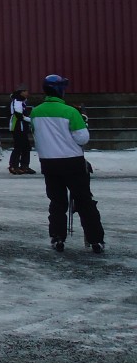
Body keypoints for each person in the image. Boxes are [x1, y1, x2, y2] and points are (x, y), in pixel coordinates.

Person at [31, 74, 105, 253]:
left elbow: (35, 134)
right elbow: (83, 138)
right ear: (59, 91)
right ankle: (95, 239)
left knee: (57, 202)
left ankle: (57, 237)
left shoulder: (35, 112)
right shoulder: (71, 112)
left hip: (49, 163)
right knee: (84, 201)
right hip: (72, 162)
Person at [8, 85, 35, 174]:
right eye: (26, 91)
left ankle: (24, 166)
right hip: (17, 127)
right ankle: (13, 166)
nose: (28, 93)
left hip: (22, 127)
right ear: (21, 92)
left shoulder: (22, 101)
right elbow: (19, 115)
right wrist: (30, 120)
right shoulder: (17, 101)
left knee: (26, 146)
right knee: (18, 146)